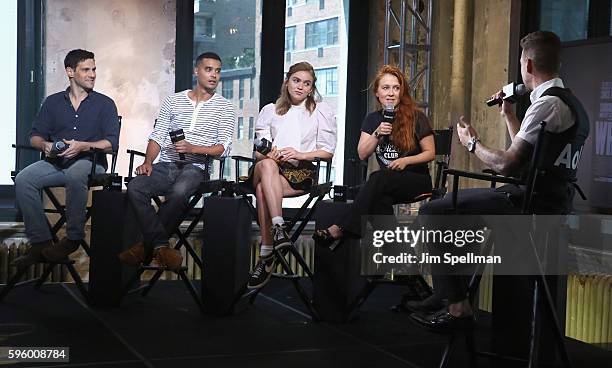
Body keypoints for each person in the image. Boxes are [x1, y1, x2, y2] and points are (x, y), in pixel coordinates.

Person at [411, 31, 590, 331]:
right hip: (548, 200)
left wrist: (471, 143)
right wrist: (508, 115)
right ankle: (447, 291)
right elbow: (526, 156)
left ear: (529, 66)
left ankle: (456, 306)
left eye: (521, 63)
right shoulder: (568, 103)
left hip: (530, 205)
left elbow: (507, 164)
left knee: (433, 211)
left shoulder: (546, 104)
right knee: (456, 215)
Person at [118, 52, 235, 271]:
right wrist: (148, 161)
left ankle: (145, 246)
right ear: (196, 71)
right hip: (167, 164)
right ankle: (160, 245)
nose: (214, 76)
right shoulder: (174, 100)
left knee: (180, 191)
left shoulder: (225, 107)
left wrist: (193, 148)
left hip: (197, 167)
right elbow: (158, 135)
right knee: (135, 186)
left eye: (218, 71)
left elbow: (224, 149)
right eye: (209, 70)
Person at [13, 49, 120, 268]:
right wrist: (46, 145)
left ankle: (73, 238)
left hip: (91, 164)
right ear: (70, 72)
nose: (92, 74)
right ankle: (41, 243)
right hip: (57, 162)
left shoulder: (105, 104)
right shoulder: (53, 102)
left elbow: (111, 143)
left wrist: (83, 146)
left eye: (94, 69)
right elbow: (34, 136)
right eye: (86, 70)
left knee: (75, 173)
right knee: (24, 179)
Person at [313, 65, 434, 246]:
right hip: (386, 183)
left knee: (377, 179)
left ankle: (341, 228)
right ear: (377, 93)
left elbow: (430, 153)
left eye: (396, 87)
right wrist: (377, 133)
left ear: (402, 91)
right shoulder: (372, 119)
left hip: (416, 180)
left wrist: (405, 160)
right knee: (379, 199)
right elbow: (362, 153)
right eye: (386, 88)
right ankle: (399, 261)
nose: (391, 93)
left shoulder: (417, 117)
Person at [247, 61, 337, 289]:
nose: (300, 87)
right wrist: (271, 154)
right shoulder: (270, 110)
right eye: (296, 81)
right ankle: (279, 227)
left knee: (261, 190)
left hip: (301, 171)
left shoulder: (320, 110)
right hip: (268, 167)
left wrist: (300, 153)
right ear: (287, 82)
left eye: (307, 83)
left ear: (311, 88)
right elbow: (258, 150)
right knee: (267, 165)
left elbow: (327, 152)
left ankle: (266, 252)